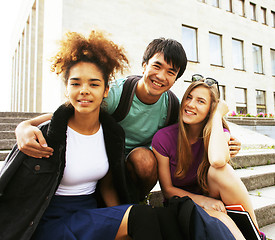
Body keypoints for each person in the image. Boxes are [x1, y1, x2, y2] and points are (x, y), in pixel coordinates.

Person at [0, 30, 243, 240]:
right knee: (142, 216)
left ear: (176, 78)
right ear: (144, 65)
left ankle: (138, 201)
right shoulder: (115, 94)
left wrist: (224, 139)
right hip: (99, 174)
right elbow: (73, 108)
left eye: (170, 72)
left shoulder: (171, 106)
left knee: (144, 162)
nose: (161, 76)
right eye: (156, 66)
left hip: (120, 168)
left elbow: (189, 130)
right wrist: (26, 125)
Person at [151, 75, 265, 239]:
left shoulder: (218, 134)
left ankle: (256, 234)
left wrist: (218, 114)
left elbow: (218, 160)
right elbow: (168, 191)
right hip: (182, 204)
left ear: (210, 110)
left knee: (220, 170)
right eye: (189, 98)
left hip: (213, 197)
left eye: (200, 101)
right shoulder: (163, 138)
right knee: (222, 219)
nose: (190, 104)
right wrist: (205, 202)